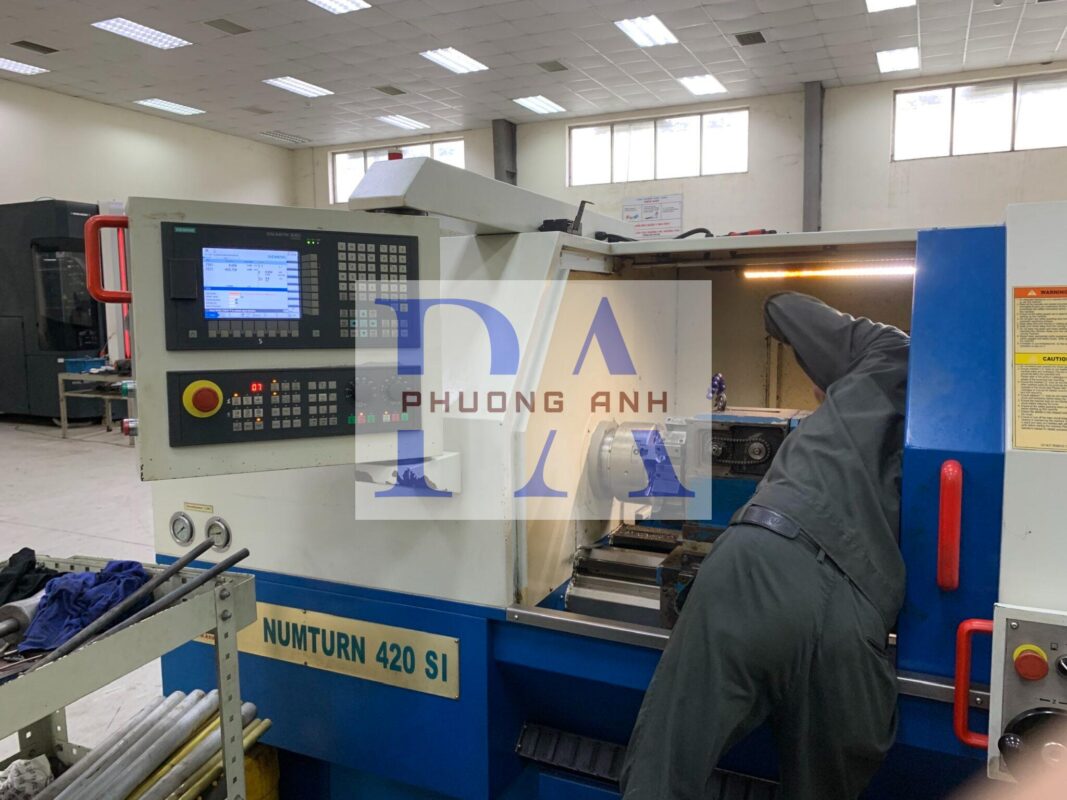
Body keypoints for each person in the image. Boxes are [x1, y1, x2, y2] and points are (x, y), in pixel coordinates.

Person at [621, 291, 910, 800]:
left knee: (661, 775)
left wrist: (836, 371)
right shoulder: (990, 402)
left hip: (761, 563)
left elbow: (783, 306)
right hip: (856, 616)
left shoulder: (890, 349)